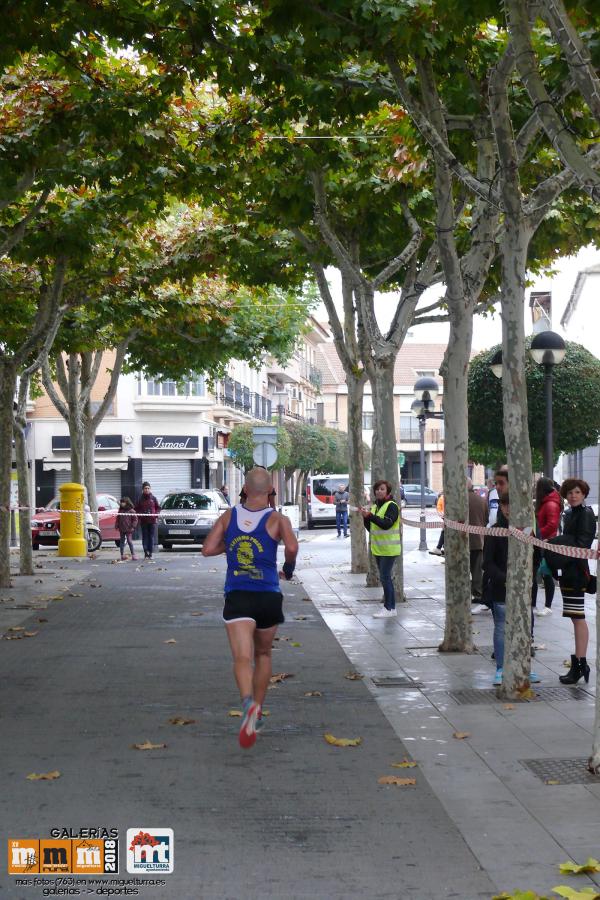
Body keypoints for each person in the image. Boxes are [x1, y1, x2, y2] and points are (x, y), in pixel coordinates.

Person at [202, 467, 298, 749]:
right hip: (268, 594)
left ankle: (246, 703)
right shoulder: (278, 519)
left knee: (242, 658)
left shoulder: (229, 516)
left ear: (244, 488)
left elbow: (207, 549)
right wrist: (288, 570)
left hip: (238, 595)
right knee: (264, 654)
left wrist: (230, 545)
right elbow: (291, 547)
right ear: (270, 490)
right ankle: (257, 709)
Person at [483, 470, 541, 686]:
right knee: (501, 626)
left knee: (524, 627)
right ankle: (500, 667)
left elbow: (537, 555)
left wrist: (527, 577)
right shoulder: (495, 531)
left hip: (524, 589)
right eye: (504, 506)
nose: (508, 509)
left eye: (511, 505)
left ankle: (524, 665)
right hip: (501, 589)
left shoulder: (528, 532)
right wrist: (505, 578)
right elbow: (487, 564)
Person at [545, 478, 596, 685]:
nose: (573, 496)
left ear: (584, 494)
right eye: (570, 493)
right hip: (569, 570)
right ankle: (579, 663)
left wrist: (554, 543)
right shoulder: (571, 513)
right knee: (575, 617)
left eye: (577, 492)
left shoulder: (585, 514)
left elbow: (581, 544)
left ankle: (581, 663)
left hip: (576, 573)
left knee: (577, 617)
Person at [359, 480, 402, 619]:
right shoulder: (375, 507)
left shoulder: (392, 506)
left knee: (385, 578)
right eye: (377, 489)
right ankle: (391, 608)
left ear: (388, 491)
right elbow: (372, 528)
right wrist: (366, 518)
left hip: (389, 549)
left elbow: (386, 525)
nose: (379, 491)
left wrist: (370, 516)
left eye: (382, 489)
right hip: (378, 549)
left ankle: (388, 608)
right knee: (384, 578)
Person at [532, 477, 561, 617]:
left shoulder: (550, 504)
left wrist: (539, 535)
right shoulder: (548, 502)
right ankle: (539, 604)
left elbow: (552, 525)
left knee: (546, 573)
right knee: (543, 572)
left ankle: (548, 606)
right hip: (543, 542)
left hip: (546, 543)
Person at [468, 478, 490, 614]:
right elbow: (487, 519)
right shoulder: (481, 501)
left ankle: (466, 592)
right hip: (479, 540)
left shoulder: (458, 501)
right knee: (477, 569)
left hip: (462, 540)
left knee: (463, 569)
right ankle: (478, 593)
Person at [135, 481, 160, 560]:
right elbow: (136, 509)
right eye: (145, 488)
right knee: (145, 537)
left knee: (151, 537)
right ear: (143, 489)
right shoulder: (139, 499)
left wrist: (155, 515)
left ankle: (151, 553)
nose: (147, 490)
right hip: (144, 521)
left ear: (150, 489)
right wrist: (140, 515)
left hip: (152, 521)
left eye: (148, 488)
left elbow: (158, 508)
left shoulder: (153, 498)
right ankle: (146, 553)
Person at [116, 497, 138, 561]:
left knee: (129, 541)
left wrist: (132, 526)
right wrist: (117, 525)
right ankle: (122, 555)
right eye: (121, 502)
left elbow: (135, 520)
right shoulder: (120, 511)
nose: (122, 503)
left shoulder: (131, 511)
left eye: (123, 502)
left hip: (129, 529)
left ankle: (133, 555)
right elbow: (118, 518)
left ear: (127, 503)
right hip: (121, 528)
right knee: (122, 542)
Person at [429, 491, 445, 556]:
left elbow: (439, 509)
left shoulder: (442, 498)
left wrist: (442, 516)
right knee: (445, 532)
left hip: (446, 517)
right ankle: (442, 548)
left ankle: (440, 548)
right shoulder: (442, 498)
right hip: (447, 518)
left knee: (444, 532)